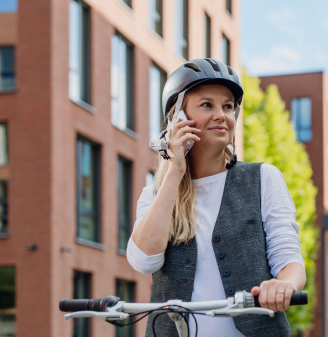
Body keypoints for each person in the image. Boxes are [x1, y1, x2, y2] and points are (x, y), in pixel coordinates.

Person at [127, 58, 306, 337]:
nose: (222, 114)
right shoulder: (155, 194)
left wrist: (284, 285)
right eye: (207, 105)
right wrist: (174, 171)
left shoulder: (263, 178)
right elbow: (143, 261)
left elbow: (290, 260)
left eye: (228, 106)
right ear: (178, 118)